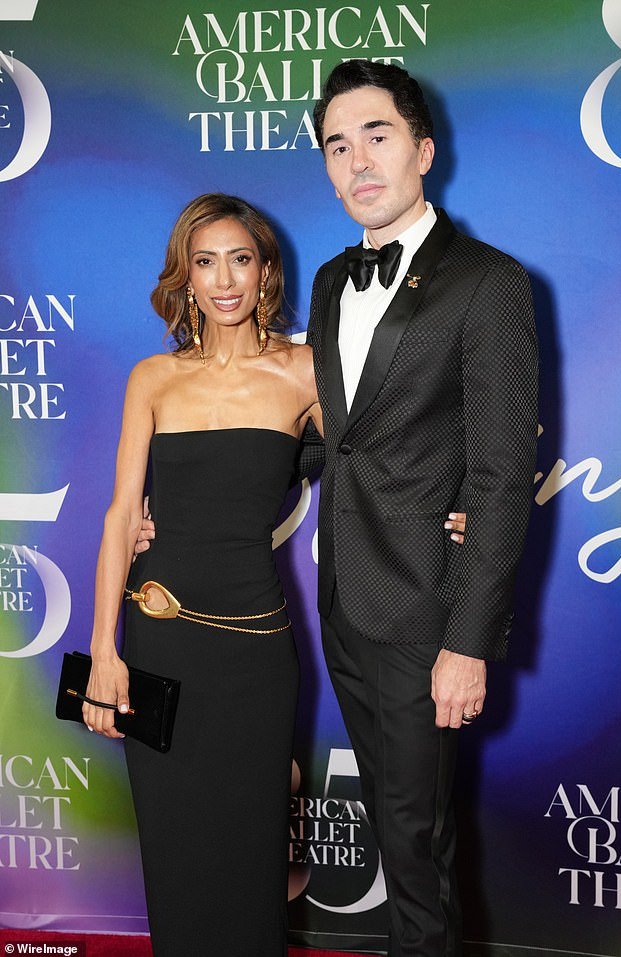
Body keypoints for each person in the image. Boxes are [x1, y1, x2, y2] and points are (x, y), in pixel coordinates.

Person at [304, 61, 539, 956]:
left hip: (425, 614)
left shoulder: (490, 282)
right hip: (344, 604)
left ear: (423, 150)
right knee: (399, 839)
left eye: (378, 136)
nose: (358, 161)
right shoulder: (329, 281)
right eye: (338, 144)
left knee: (417, 848)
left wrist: (467, 641)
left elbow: (501, 474)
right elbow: (336, 439)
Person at [82, 193, 320, 957]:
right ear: (184, 276)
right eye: (206, 261)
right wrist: (104, 652)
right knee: (176, 851)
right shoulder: (152, 377)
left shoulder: (306, 372)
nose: (224, 280)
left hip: (254, 649)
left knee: (249, 857)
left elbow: (384, 459)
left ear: (265, 272)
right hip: (157, 641)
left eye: (240, 259)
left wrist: (456, 506)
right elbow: (122, 514)